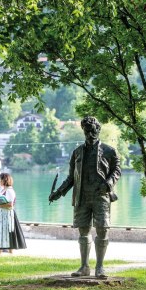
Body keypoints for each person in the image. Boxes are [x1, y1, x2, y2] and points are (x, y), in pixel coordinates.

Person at [49, 116, 121, 278]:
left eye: (93, 130)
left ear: (98, 130)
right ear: (83, 131)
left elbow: (117, 171)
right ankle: (84, 267)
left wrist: (108, 184)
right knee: (83, 231)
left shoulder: (109, 151)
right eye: (87, 130)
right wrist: (59, 192)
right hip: (81, 196)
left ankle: (100, 267)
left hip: (101, 196)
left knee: (102, 229)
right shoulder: (77, 152)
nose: (90, 133)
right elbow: (71, 178)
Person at [0, 173, 26, 255]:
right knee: (1, 232)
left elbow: (10, 204)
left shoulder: (10, 191)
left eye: (0, 179)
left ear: (4, 180)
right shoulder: (3, 190)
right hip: (2, 214)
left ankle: (10, 252)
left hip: (8, 214)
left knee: (8, 232)